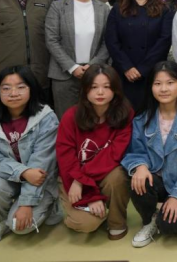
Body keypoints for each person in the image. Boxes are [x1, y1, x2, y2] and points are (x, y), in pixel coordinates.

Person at [122, 61, 177, 248]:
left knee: (170, 227)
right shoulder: (142, 119)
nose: (163, 89)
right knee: (137, 178)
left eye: (170, 83)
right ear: (151, 86)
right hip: (157, 180)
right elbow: (135, 151)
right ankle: (149, 220)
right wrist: (140, 166)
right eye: (157, 83)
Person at [0, 66, 60, 248]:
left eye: (21, 87)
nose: (13, 93)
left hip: (41, 180)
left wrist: (26, 204)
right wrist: (23, 172)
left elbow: (41, 164)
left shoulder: (46, 118)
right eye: (6, 88)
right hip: (11, 178)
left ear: (31, 89)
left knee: (19, 228)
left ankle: (52, 205)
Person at [56, 64, 133, 239]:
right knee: (87, 224)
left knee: (118, 175)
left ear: (115, 89)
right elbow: (66, 159)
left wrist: (82, 180)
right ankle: (65, 207)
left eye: (107, 87)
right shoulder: (71, 116)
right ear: (85, 90)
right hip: (72, 176)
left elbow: (114, 154)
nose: (100, 92)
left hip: (101, 173)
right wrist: (88, 192)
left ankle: (116, 222)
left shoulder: (125, 114)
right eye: (93, 87)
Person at [45, 0, 111, 118]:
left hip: (96, 73)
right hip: (63, 74)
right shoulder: (57, 7)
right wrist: (72, 67)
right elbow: (51, 40)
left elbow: (108, 42)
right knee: (66, 118)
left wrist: (93, 65)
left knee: (96, 117)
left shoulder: (103, 9)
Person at [105, 0, 174, 112]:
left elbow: (164, 41)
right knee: (123, 113)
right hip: (123, 72)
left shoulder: (165, 10)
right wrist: (127, 67)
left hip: (152, 72)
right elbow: (111, 41)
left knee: (150, 113)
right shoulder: (117, 9)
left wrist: (142, 69)